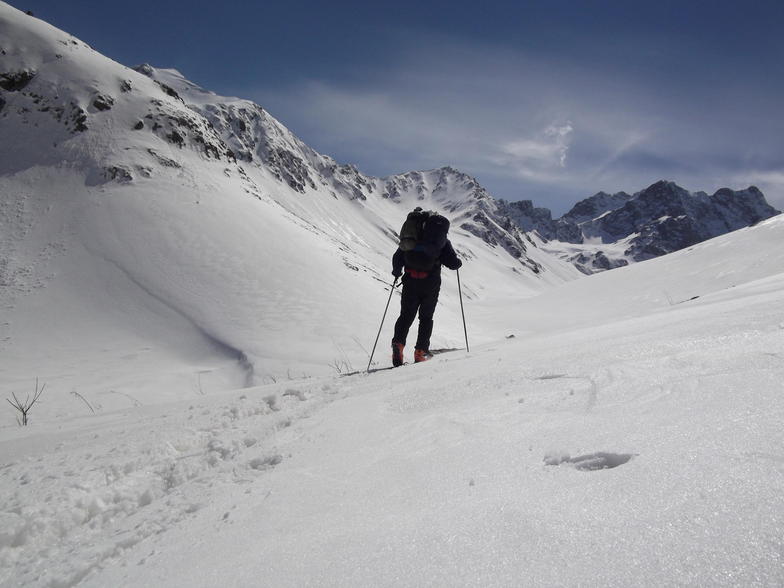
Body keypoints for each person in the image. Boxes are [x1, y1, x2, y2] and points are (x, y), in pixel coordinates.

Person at [391, 233, 462, 366]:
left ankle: (398, 346)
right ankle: (420, 353)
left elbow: (398, 257)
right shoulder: (440, 239)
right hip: (430, 284)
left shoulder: (410, 236)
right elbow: (452, 263)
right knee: (426, 318)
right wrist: (458, 263)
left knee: (405, 316)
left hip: (410, 282)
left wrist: (396, 272)